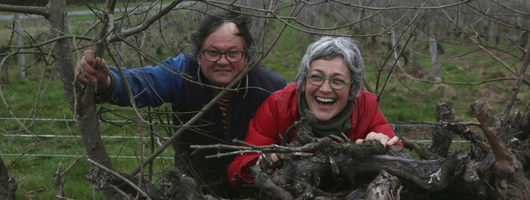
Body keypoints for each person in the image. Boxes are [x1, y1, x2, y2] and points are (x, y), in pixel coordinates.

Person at [75, 11, 287, 198]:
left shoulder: (271, 88)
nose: (223, 61)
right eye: (213, 52)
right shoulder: (182, 72)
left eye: (233, 53)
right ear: (199, 56)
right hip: (191, 190)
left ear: (247, 56)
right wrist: (106, 81)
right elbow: (140, 82)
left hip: (255, 191)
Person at [227, 36, 403, 191]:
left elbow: (402, 166)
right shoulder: (279, 105)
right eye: (316, 77)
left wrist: (380, 146)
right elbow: (237, 171)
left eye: (338, 80)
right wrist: (258, 165)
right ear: (303, 82)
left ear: (353, 89)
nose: (325, 89)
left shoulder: (365, 108)